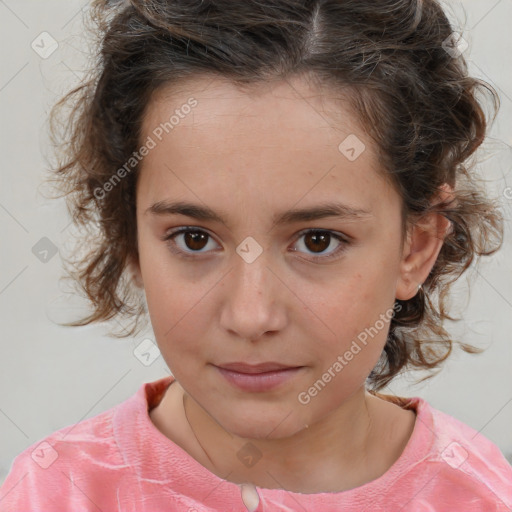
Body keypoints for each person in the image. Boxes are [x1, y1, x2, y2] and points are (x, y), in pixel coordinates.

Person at [1, 0, 511, 510]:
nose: (251, 316)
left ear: (415, 247)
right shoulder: (55, 494)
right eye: (194, 239)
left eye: (318, 241)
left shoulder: (484, 496)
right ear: (130, 241)